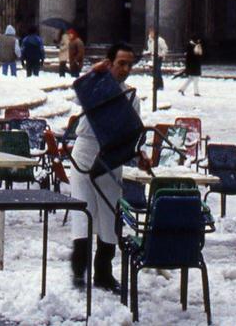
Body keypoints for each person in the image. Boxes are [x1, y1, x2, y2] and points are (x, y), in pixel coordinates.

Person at [68, 43, 139, 291]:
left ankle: (104, 273)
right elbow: (77, 94)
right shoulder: (95, 86)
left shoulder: (130, 96)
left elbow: (133, 132)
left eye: (130, 64)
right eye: (121, 63)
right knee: (83, 210)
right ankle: (79, 271)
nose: (126, 69)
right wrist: (92, 73)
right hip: (85, 152)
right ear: (110, 63)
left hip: (111, 157)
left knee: (109, 215)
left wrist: (137, 153)